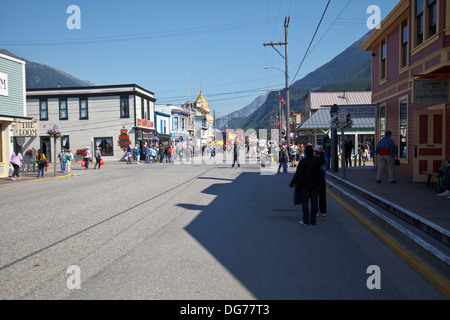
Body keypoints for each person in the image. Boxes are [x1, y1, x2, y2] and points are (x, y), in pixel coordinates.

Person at [289, 145, 325, 225]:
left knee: (304, 202)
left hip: (305, 185)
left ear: (305, 153)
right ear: (313, 152)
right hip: (316, 184)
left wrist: (292, 183)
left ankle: (305, 219)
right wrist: (320, 152)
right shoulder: (317, 160)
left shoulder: (303, 162)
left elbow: (298, 174)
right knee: (314, 202)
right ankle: (313, 220)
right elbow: (323, 160)